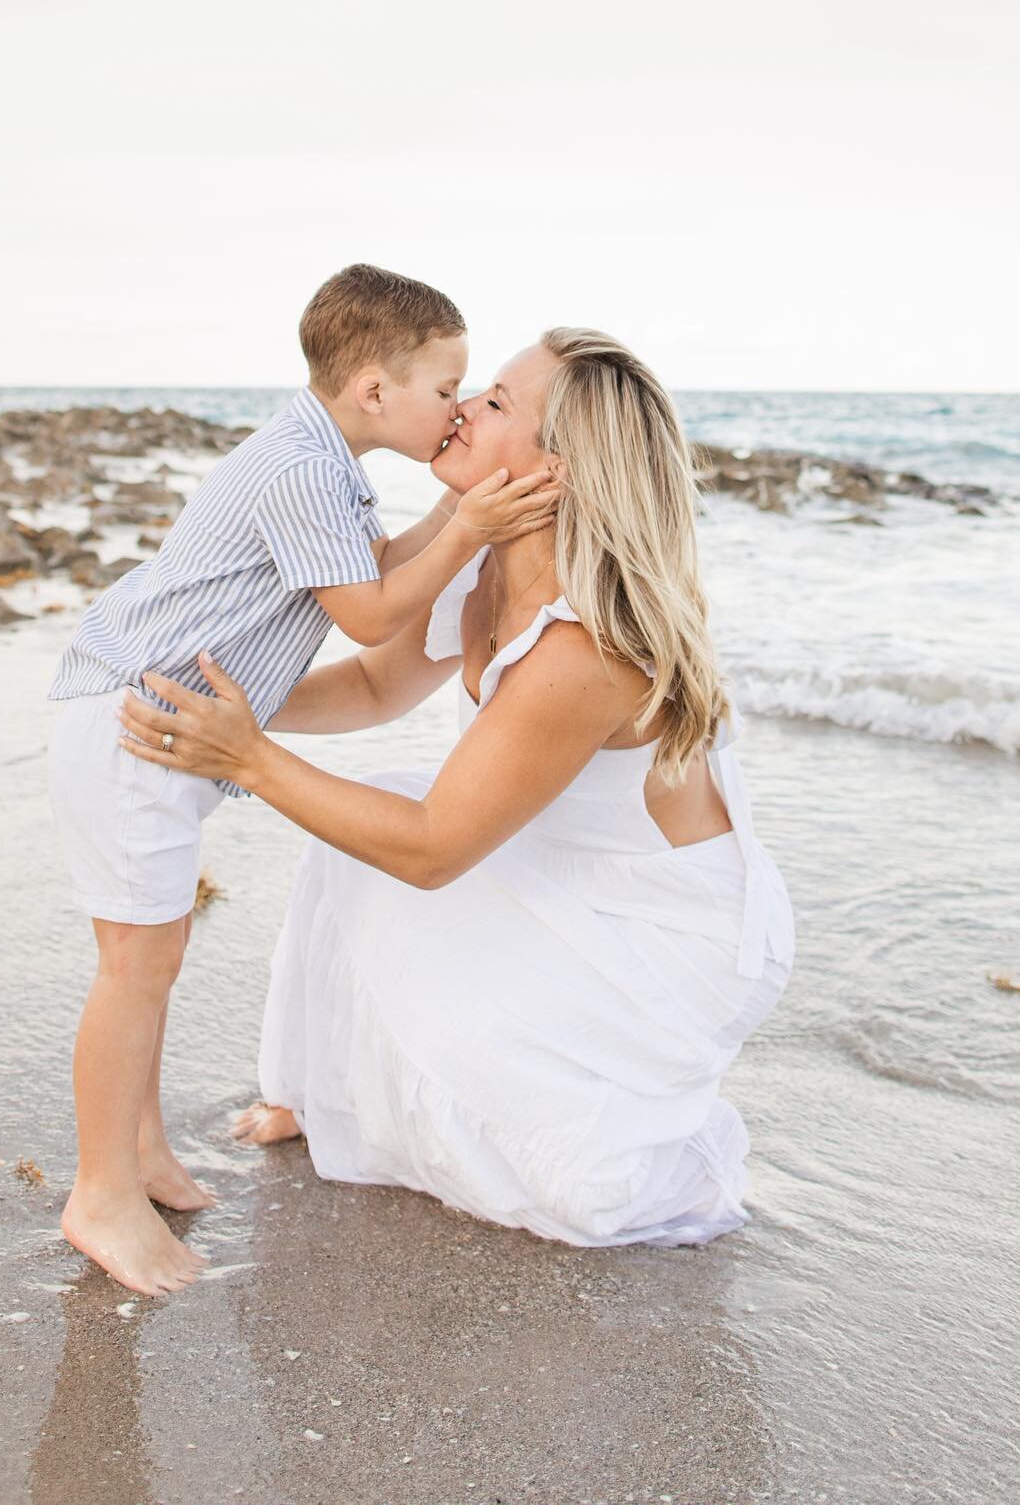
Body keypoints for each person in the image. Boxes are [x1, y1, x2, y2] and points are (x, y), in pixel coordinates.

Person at [118, 328, 796, 1249]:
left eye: (497, 402)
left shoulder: (585, 650)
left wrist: (245, 758)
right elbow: (374, 685)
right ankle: (317, 1098)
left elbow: (435, 848)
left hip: (662, 928)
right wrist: (223, 705)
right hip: (560, 857)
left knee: (579, 1192)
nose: (462, 408)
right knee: (356, 838)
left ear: (557, 468)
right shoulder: (485, 558)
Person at [47, 264, 559, 1295]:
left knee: (156, 951)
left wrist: (466, 522)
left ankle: (139, 1148)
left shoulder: (320, 462)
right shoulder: (299, 471)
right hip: (137, 717)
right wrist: (468, 529)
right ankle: (99, 1191)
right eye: (445, 387)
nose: (458, 408)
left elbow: (374, 566)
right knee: (133, 965)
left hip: (151, 710)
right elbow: (372, 615)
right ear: (375, 391)